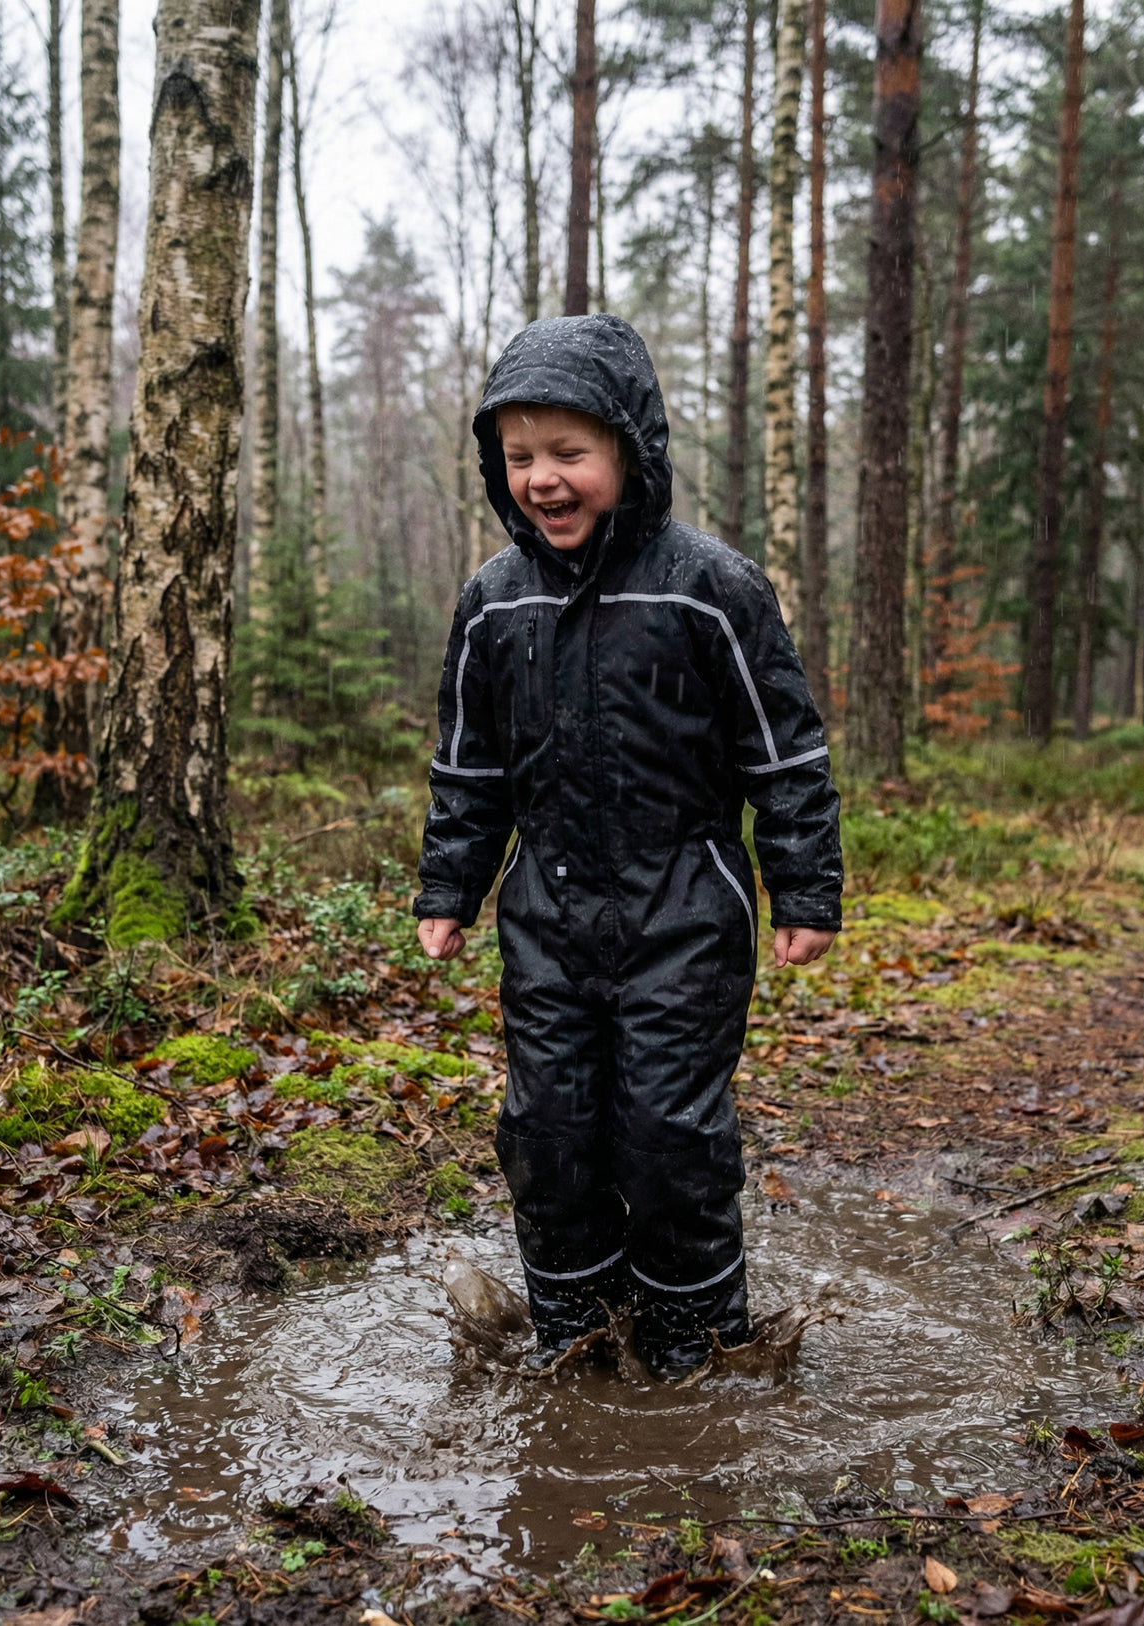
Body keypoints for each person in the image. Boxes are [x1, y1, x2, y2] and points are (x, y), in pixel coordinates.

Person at [414, 313, 842, 1380]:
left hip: (683, 915)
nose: (543, 481)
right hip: (547, 921)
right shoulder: (491, 603)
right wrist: (449, 885)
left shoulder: (708, 588)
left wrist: (803, 889)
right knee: (548, 1132)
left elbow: (783, 753)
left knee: (667, 1138)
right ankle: (574, 1340)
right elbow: (469, 766)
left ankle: (693, 1347)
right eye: (519, 458)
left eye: (569, 454)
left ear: (630, 451)